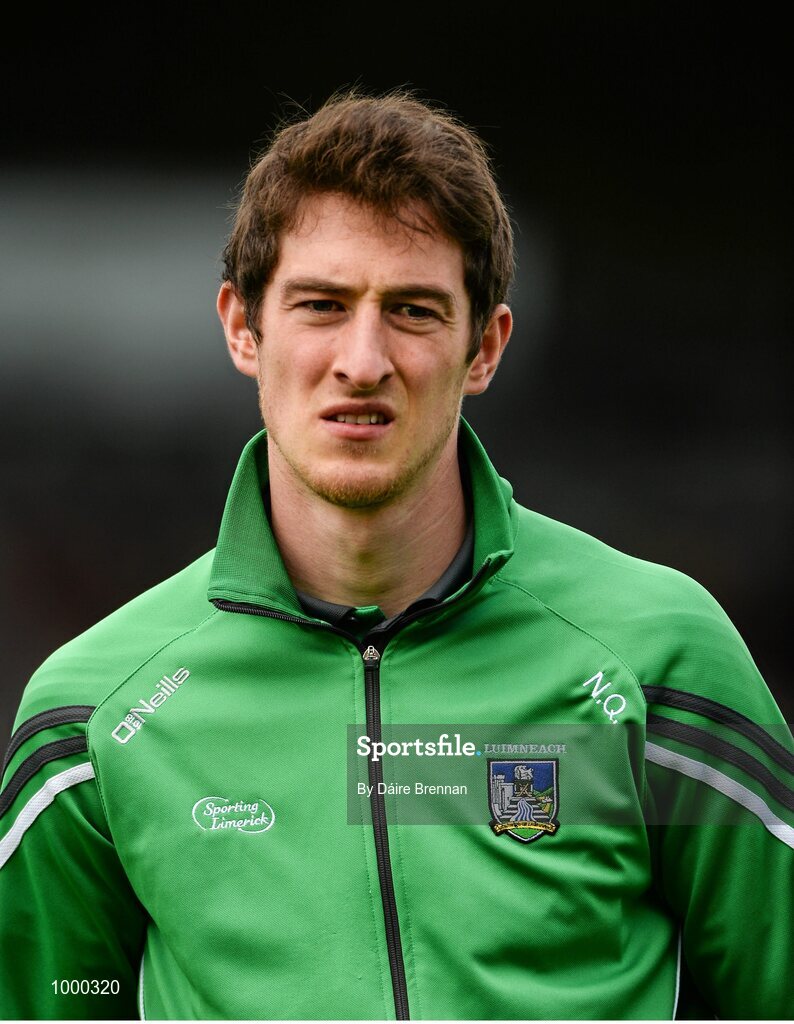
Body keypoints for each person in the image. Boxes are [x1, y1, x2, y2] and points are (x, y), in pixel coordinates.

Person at [0, 90, 791, 1021]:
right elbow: (58, 1001)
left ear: (484, 347)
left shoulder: (661, 658)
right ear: (243, 328)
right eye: (321, 305)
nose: (363, 360)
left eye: (413, 310)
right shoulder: (94, 715)